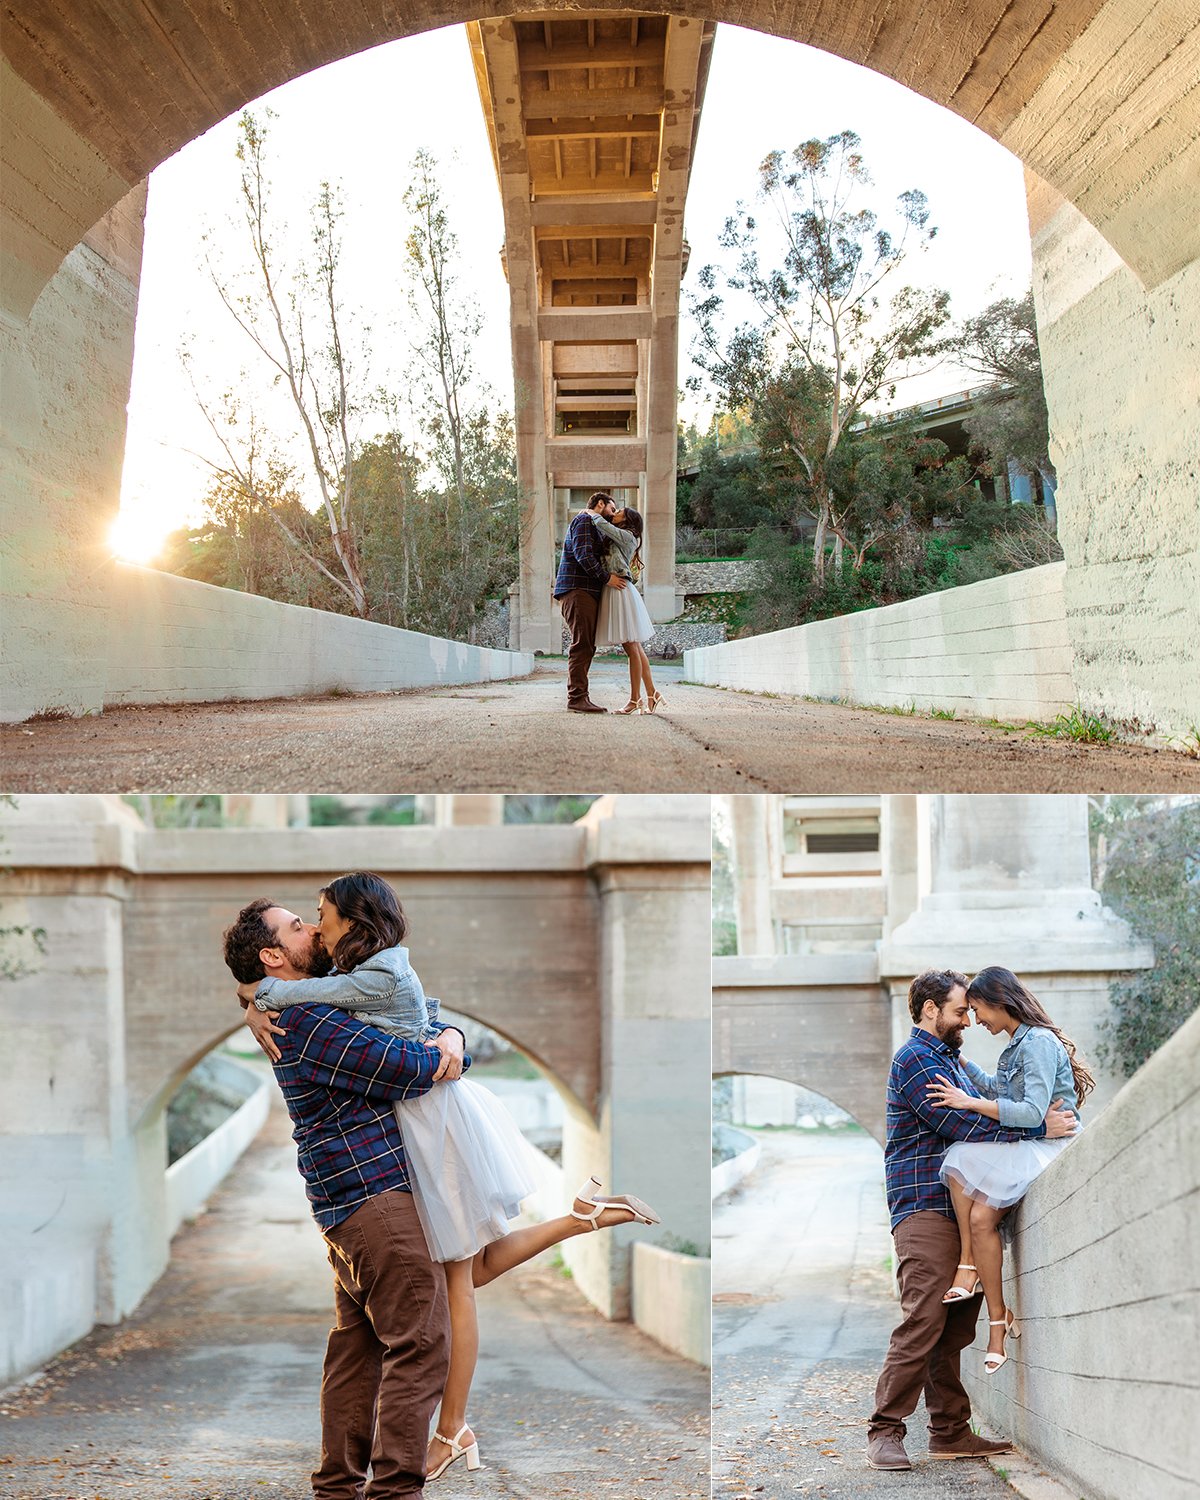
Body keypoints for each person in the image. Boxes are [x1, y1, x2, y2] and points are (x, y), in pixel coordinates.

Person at [231, 877, 659, 1490]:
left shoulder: (310, 1006)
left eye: (314, 917)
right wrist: (445, 1048)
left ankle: (338, 1486)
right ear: (273, 956)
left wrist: (449, 1033)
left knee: (357, 1352)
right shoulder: (306, 1024)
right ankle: (395, 1487)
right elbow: (410, 1067)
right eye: (297, 925)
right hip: (373, 1198)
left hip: (356, 1202)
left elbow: (419, 1016)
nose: (312, 927)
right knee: (423, 1342)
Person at [867, 969, 1078, 1473]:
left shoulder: (952, 1060)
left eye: (972, 1009)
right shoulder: (915, 1058)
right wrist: (1037, 1130)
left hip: (963, 1209)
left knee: (956, 1327)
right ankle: (885, 1430)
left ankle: (950, 1432)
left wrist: (1030, 1121)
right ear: (929, 1009)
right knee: (924, 1318)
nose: (969, 1018)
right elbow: (959, 1124)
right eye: (961, 1011)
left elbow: (993, 1105)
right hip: (925, 1206)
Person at [925, 966, 1092, 1374]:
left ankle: (970, 1272)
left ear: (1000, 1003)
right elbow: (998, 1092)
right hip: (1031, 1144)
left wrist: (969, 1104)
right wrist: (959, 1062)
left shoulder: (1036, 1042)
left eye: (978, 1010)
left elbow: (1031, 1113)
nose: (976, 1020)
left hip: (1049, 1146)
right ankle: (998, 1324)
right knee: (982, 1217)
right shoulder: (1014, 1048)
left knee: (961, 1158)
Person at [552, 491, 628, 713]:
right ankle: (576, 698)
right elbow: (583, 554)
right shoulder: (585, 520)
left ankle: (579, 697)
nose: (613, 515)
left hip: (583, 591)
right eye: (612, 510)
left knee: (586, 644)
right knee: (582, 644)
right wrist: (607, 579)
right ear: (600, 504)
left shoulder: (594, 525)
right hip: (577, 590)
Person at [590, 506, 664, 714]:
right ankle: (652, 694)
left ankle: (634, 700)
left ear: (628, 519)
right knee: (635, 647)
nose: (615, 512)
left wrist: (591, 512)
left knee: (631, 647)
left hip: (621, 590)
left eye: (619, 510)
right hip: (614, 589)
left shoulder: (628, 536)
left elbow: (601, 523)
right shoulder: (617, 536)